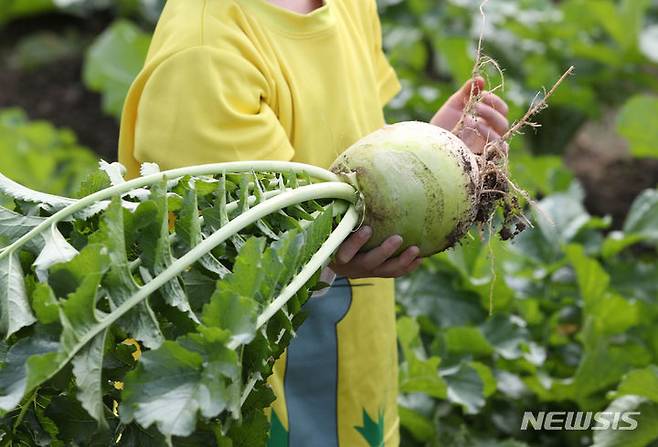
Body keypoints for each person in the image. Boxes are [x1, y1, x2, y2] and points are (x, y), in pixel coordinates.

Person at [118, 0, 510, 445]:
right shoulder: (205, 54)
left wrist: (430, 159)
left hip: (352, 363)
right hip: (240, 380)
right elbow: (228, 252)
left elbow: (353, 153)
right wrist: (334, 254)